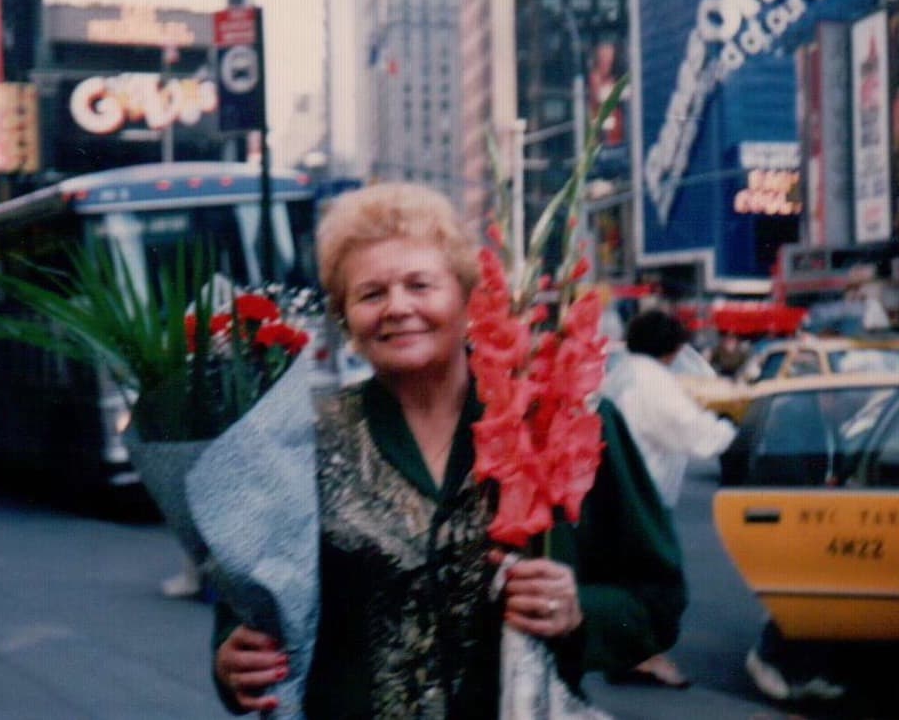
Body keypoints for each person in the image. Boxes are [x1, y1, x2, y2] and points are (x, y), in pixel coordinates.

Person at [212, 183, 686, 717]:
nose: (397, 308)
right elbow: (250, 606)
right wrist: (233, 660)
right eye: (371, 294)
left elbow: (658, 598)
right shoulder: (303, 437)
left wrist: (580, 612)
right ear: (345, 319)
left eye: (420, 285)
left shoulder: (560, 416)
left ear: (468, 300)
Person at [600, 308, 737, 688]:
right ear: (673, 348)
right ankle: (648, 658)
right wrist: (735, 432)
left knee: (627, 582)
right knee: (659, 585)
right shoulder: (655, 382)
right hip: (644, 497)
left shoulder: (621, 375)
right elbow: (694, 432)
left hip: (617, 493)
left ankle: (629, 656)